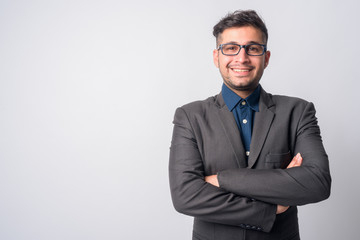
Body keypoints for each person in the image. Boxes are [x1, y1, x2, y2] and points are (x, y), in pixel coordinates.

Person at [169, 10, 331, 240]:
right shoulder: (190, 116)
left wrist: (222, 179)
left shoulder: (298, 112)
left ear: (266, 57)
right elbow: (185, 196)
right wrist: (271, 208)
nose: (242, 58)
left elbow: (318, 183)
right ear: (217, 57)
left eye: (253, 48)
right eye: (231, 47)